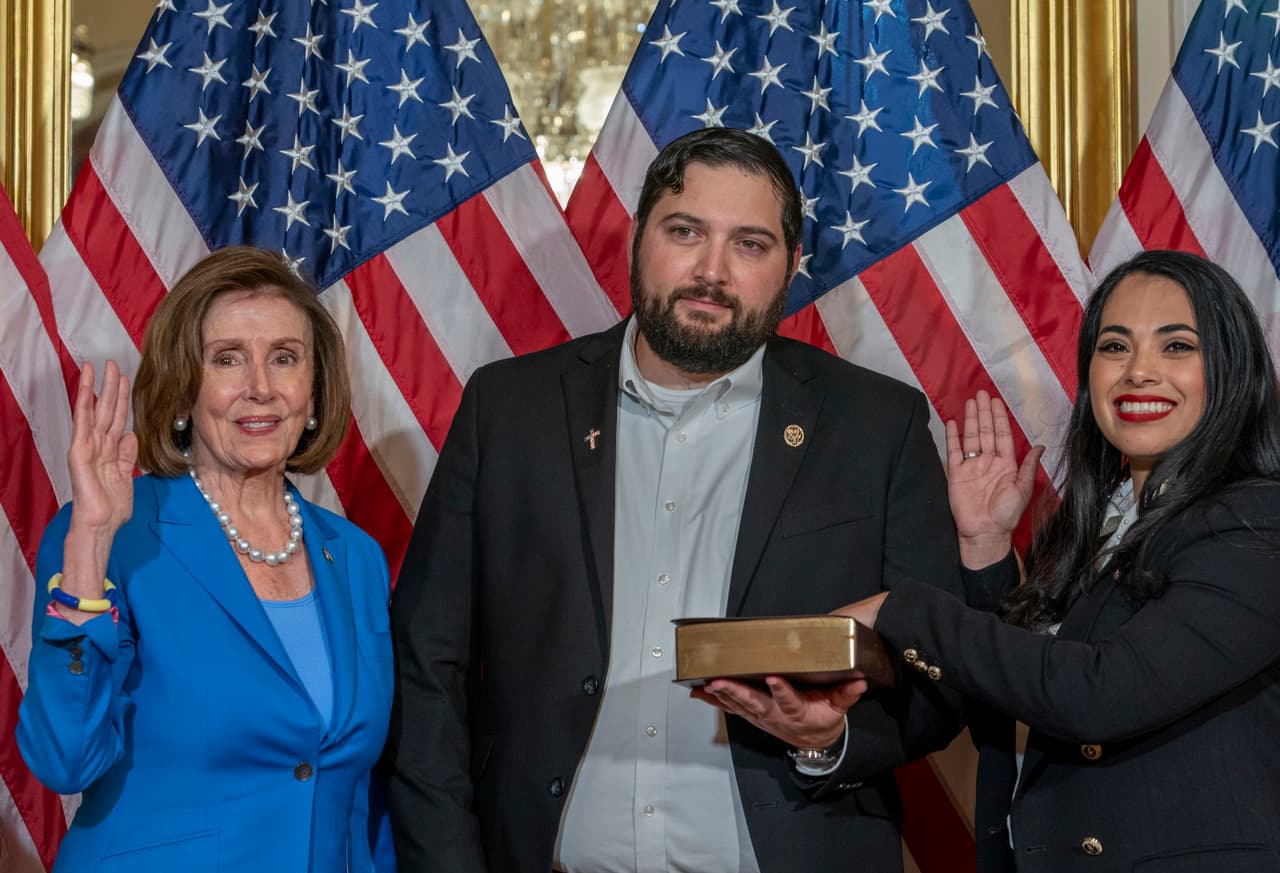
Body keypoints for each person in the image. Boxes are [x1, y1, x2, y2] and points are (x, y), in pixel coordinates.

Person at [386, 127, 966, 873]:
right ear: (637, 239)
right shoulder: (509, 410)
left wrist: (828, 739)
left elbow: (940, 672)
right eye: (685, 231)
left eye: (750, 244)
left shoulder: (877, 426)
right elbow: (428, 665)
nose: (711, 271)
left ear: (792, 266)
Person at [841, 249, 1280, 871]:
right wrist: (988, 547)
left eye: (1177, 346)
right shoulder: (1089, 525)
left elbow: (1098, 695)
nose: (1138, 372)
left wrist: (903, 610)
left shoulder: (1259, 521)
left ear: (1233, 369)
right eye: (1115, 347)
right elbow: (1019, 696)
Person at [17, 247, 395, 872]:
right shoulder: (114, 531)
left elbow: (357, 795)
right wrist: (88, 540)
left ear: (313, 390)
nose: (260, 388)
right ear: (185, 390)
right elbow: (64, 760)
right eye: (227, 359)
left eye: (284, 358)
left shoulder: (354, 558)